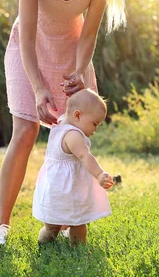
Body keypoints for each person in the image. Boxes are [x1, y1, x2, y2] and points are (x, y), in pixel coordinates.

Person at [0, 0, 126, 246]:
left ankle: (66, 219)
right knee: (25, 132)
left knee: (74, 137)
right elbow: (29, 36)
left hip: (71, 55)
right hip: (28, 53)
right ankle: (1, 226)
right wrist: (38, 89)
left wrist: (80, 71)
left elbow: (89, 35)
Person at [33, 89, 115, 245]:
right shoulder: (73, 135)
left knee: (52, 226)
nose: (95, 129)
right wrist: (99, 174)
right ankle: (78, 250)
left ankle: (44, 246)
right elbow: (85, 156)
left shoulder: (62, 123)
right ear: (77, 115)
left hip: (55, 189)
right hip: (68, 190)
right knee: (78, 222)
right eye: (94, 123)